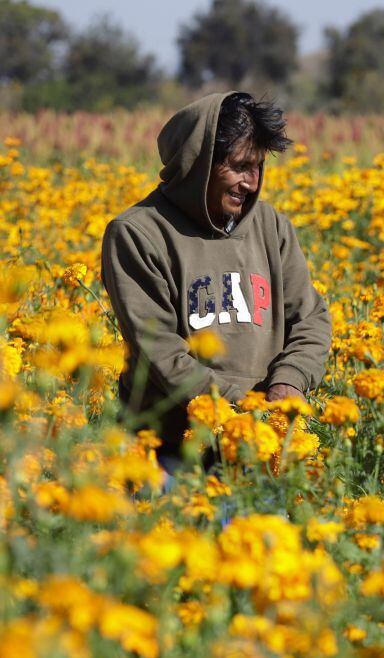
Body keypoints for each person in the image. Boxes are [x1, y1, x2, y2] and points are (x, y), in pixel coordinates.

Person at [101, 92, 331, 472]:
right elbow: (160, 353)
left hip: (261, 447)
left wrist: (288, 384)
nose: (251, 182)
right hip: (171, 453)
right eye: (239, 166)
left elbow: (310, 319)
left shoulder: (271, 227)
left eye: (257, 166)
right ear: (198, 164)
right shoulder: (138, 234)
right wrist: (246, 408)